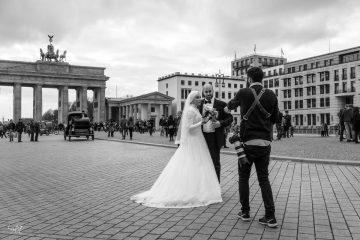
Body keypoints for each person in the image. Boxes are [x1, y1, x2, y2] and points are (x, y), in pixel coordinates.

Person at [131, 91, 222, 208]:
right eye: (197, 97)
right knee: (193, 164)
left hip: (198, 139)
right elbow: (188, 128)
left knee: (199, 165)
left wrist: (205, 118)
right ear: (192, 99)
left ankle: (198, 189)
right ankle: (192, 190)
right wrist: (201, 122)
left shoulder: (195, 109)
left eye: (200, 97)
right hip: (193, 140)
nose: (200, 99)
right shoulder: (190, 110)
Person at [226, 66, 279, 228]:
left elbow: (229, 106)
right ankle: (270, 216)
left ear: (249, 78)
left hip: (247, 144)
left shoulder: (243, 93)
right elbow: (276, 118)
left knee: (244, 178)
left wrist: (228, 108)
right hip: (264, 144)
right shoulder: (271, 94)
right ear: (262, 78)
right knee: (264, 179)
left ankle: (245, 212)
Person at [200, 83, 233, 182]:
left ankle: (216, 188)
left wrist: (220, 123)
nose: (208, 93)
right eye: (206, 91)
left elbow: (230, 118)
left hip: (215, 138)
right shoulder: (199, 104)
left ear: (213, 91)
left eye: (210, 91)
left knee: (215, 163)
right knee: (202, 163)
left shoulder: (221, 104)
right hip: (201, 138)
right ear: (203, 92)